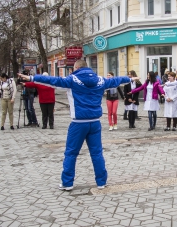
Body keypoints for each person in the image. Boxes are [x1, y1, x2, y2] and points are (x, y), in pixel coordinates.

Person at [18, 60, 139, 190]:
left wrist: (31, 77)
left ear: (76, 67)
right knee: (97, 153)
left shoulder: (72, 79)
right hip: (95, 122)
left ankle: (67, 183)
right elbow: (116, 81)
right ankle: (101, 182)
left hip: (78, 123)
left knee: (71, 153)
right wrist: (130, 78)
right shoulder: (100, 80)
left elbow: (52, 80)